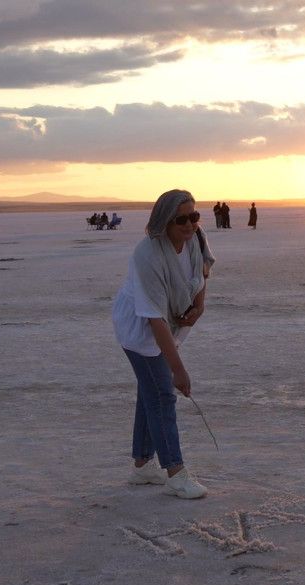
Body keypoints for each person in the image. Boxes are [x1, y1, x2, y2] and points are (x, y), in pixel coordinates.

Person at [112, 189, 211, 499]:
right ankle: (175, 473)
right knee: (163, 394)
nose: (189, 224)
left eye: (194, 216)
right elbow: (154, 319)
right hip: (140, 329)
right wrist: (178, 370)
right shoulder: (148, 255)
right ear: (164, 221)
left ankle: (143, 466)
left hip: (168, 323)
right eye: (181, 219)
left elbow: (203, 269)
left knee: (151, 391)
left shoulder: (196, 238)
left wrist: (199, 305)